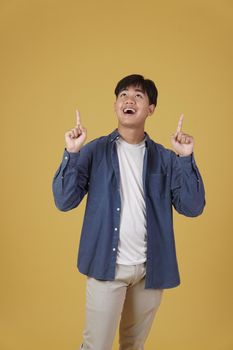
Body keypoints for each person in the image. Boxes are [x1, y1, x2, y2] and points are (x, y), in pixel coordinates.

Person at [52, 74, 205, 350]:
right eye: (123, 94)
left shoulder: (166, 158)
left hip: (150, 271)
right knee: (95, 345)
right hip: (106, 268)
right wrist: (72, 153)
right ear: (115, 105)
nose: (129, 99)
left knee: (133, 345)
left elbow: (192, 207)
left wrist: (185, 158)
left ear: (150, 109)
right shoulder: (94, 151)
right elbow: (64, 201)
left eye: (138, 95)